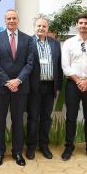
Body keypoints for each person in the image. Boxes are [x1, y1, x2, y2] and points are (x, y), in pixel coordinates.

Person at [0, 9, 34, 166]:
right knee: (0, 121)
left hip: (20, 88)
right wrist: (8, 82)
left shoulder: (28, 39)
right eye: (8, 18)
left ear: (18, 20)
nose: (11, 21)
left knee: (17, 121)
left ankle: (17, 153)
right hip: (0, 88)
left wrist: (18, 80)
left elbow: (29, 63)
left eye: (14, 18)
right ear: (4, 21)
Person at [61, 13, 87, 162]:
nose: (83, 25)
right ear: (77, 25)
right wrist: (79, 81)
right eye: (80, 23)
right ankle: (68, 147)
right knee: (71, 118)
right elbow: (65, 66)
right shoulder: (69, 43)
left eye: (86, 23)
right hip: (73, 85)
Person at [26, 16, 63, 160]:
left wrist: (58, 86)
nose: (41, 28)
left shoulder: (55, 44)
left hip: (50, 87)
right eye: (39, 26)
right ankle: (30, 147)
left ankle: (44, 146)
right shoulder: (28, 42)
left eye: (44, 26)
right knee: (33, 118)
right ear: (34, 27)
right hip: (34, 87)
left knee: (46, 118)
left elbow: (58, 66)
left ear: (48, 28)